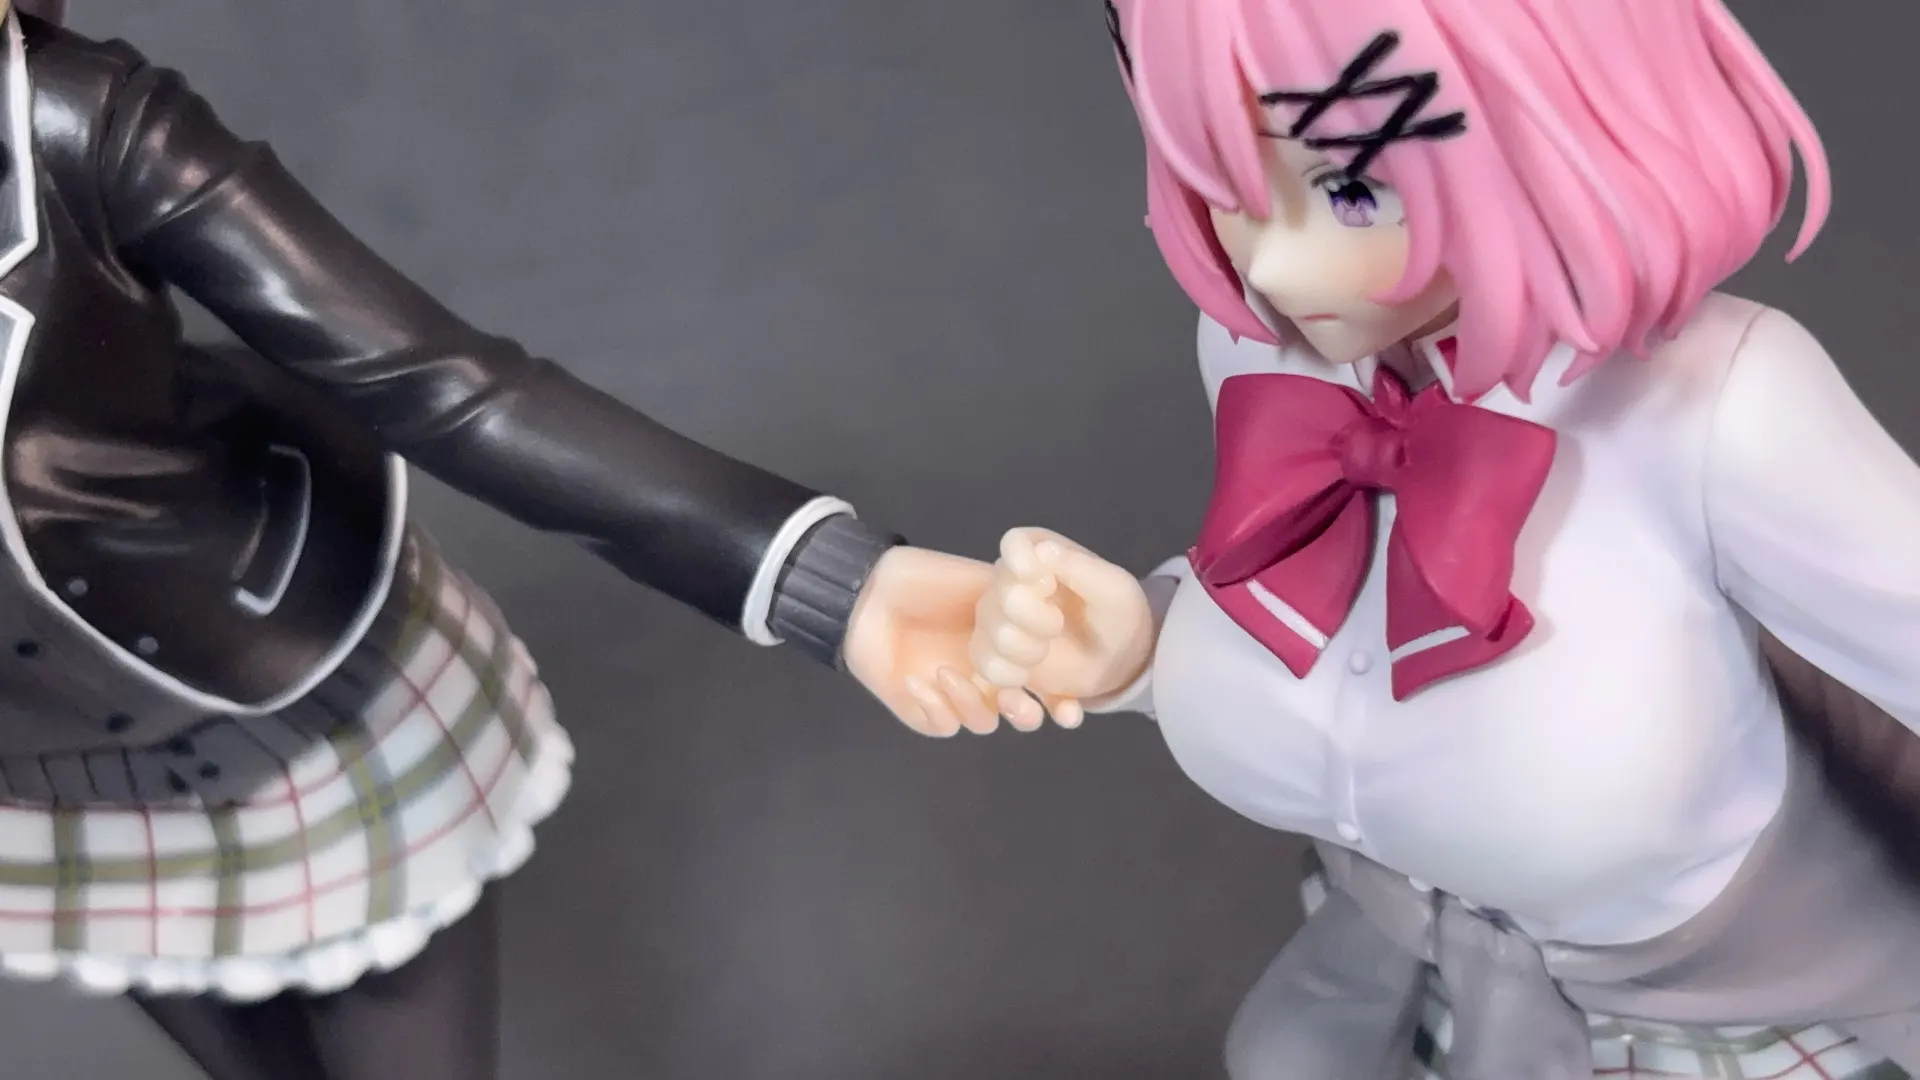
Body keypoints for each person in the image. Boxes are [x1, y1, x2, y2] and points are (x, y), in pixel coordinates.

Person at [0, 3, 1001, 1078]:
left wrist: (834, 583)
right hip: (47, 775)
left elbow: (447, 384)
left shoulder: (83, 123)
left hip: (288, 695)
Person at [959, 1, 1920, 1076]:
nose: (1275, 268)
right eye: (1226, 179)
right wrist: (1142, 650)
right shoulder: (1260, 352)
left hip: (1722, 1020)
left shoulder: (1717, 408)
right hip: (1399, 977)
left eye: (1352, 190)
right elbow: (1320, 607)